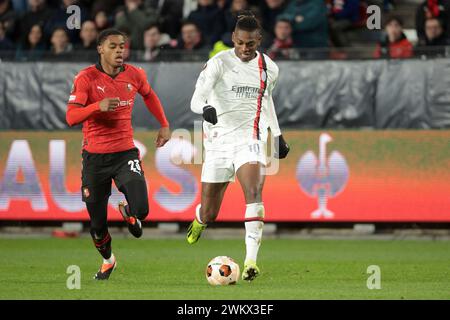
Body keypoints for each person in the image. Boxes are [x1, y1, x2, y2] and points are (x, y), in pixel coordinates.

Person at [186, 13, 290, 281]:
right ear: (233, 38)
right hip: (219, 144)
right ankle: (199, 220)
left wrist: (277, 135)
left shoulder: (269, 68)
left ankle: (251, 261)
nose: (245, 49)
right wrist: (206, 108)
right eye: (241, 43)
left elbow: (266, 103)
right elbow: (196, 100)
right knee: (210, 212)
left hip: (249, 141)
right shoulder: (218, 63)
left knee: (254, 192)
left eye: (251, 44)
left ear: (259, 40)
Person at [65, 29, 171, 280]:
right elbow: (71, 117)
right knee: (98, 227)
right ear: (100, 49)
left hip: (125, 153)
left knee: (142, 210)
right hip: (94, 159)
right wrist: (95, 106)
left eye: (122, 46)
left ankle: (128, 210)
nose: (119, 50)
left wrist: (164, 123)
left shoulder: (135, 74)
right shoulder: (86, 78)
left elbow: (149, 95)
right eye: (113, 46)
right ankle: (108, 261)